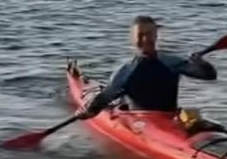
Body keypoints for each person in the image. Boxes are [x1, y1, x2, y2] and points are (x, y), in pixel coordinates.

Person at [77, 15, 217, 119]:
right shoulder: (125, 72)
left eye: (149, 34)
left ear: (156, 36)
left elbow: (209, 75)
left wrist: (200, 62)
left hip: (169, 120)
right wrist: (88, 111)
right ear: (132, 39)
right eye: (140, 35)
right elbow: (104, 98)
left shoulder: (172, 63)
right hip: (140, 123)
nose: (145, 39)